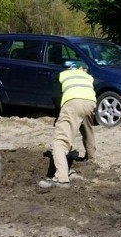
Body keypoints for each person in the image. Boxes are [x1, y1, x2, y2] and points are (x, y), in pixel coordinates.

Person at [39, 61, 97, 189]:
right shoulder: (88, 77)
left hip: (72, 102)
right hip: (91, 102)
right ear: (82, 68)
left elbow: (56, 96)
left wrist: (60, 114)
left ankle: (61, 178)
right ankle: (91, 158)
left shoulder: (62, 74)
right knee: (87, 129)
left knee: (59, 142)